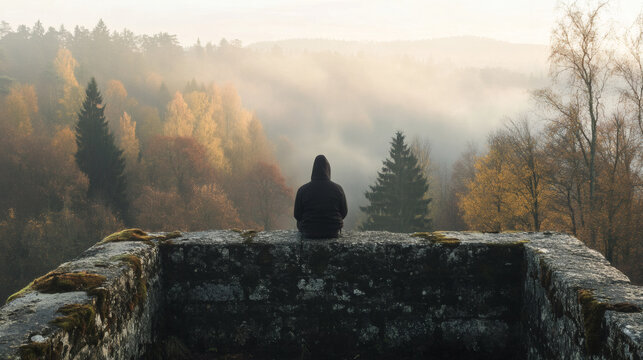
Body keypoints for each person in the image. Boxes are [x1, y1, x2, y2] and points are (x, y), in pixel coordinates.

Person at [294, 155, 348, 238]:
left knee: (300, 222)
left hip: (309, 231)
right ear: (328, 170)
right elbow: (344, 212)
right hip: (332, 231)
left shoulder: (302, 190)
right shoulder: (338, 189)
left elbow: (297, 214)